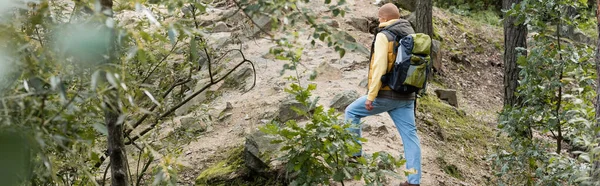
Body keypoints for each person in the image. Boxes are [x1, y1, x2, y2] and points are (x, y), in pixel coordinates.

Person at [344, 3, 421, 186]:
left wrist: (371, 96)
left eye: (379, 18)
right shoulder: (411, 34)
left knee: (351, 112)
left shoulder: (384, 36)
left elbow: (379, 67)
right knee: (410, 138)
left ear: (385, 18)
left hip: (387, 94)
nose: (379, 21)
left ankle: (354, 157)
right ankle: (413, 180)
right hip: (407, 96)